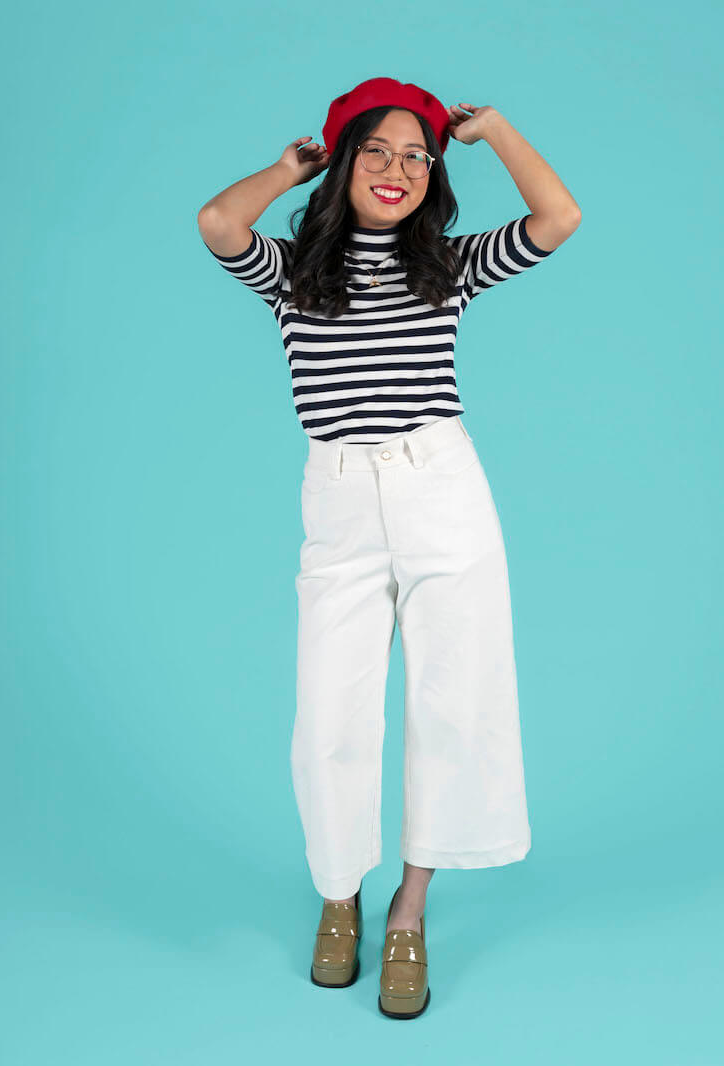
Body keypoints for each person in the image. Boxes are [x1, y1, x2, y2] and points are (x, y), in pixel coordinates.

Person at [197, 76, 581, 1019]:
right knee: (331, 711)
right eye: (376, 150)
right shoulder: (293, 271)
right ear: (343, 164)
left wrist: (497, 131)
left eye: (417, 155)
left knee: (454, 698)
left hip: (441, 484)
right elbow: (217, 222)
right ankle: (340, 896)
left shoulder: (448, 265)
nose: (397, 169)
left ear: (433, 175)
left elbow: (559, 217)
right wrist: (289, 167)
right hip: (339, 495)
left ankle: (409, 909)